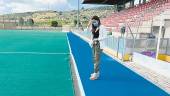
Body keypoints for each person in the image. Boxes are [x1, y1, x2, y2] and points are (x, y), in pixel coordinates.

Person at [87, 16, 101, 80]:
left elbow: (105, 36)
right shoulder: (93, 27)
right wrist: (89, 24)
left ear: (98, 20)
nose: (94, 22)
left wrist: (97, 40)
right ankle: (97, 72)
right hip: (93, 43)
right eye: (93, 21)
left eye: (95, 21)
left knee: (97, 59)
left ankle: (95, 74)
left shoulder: (101, 27)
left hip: (98, 44)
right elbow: (87, 30)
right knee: (94, 58)